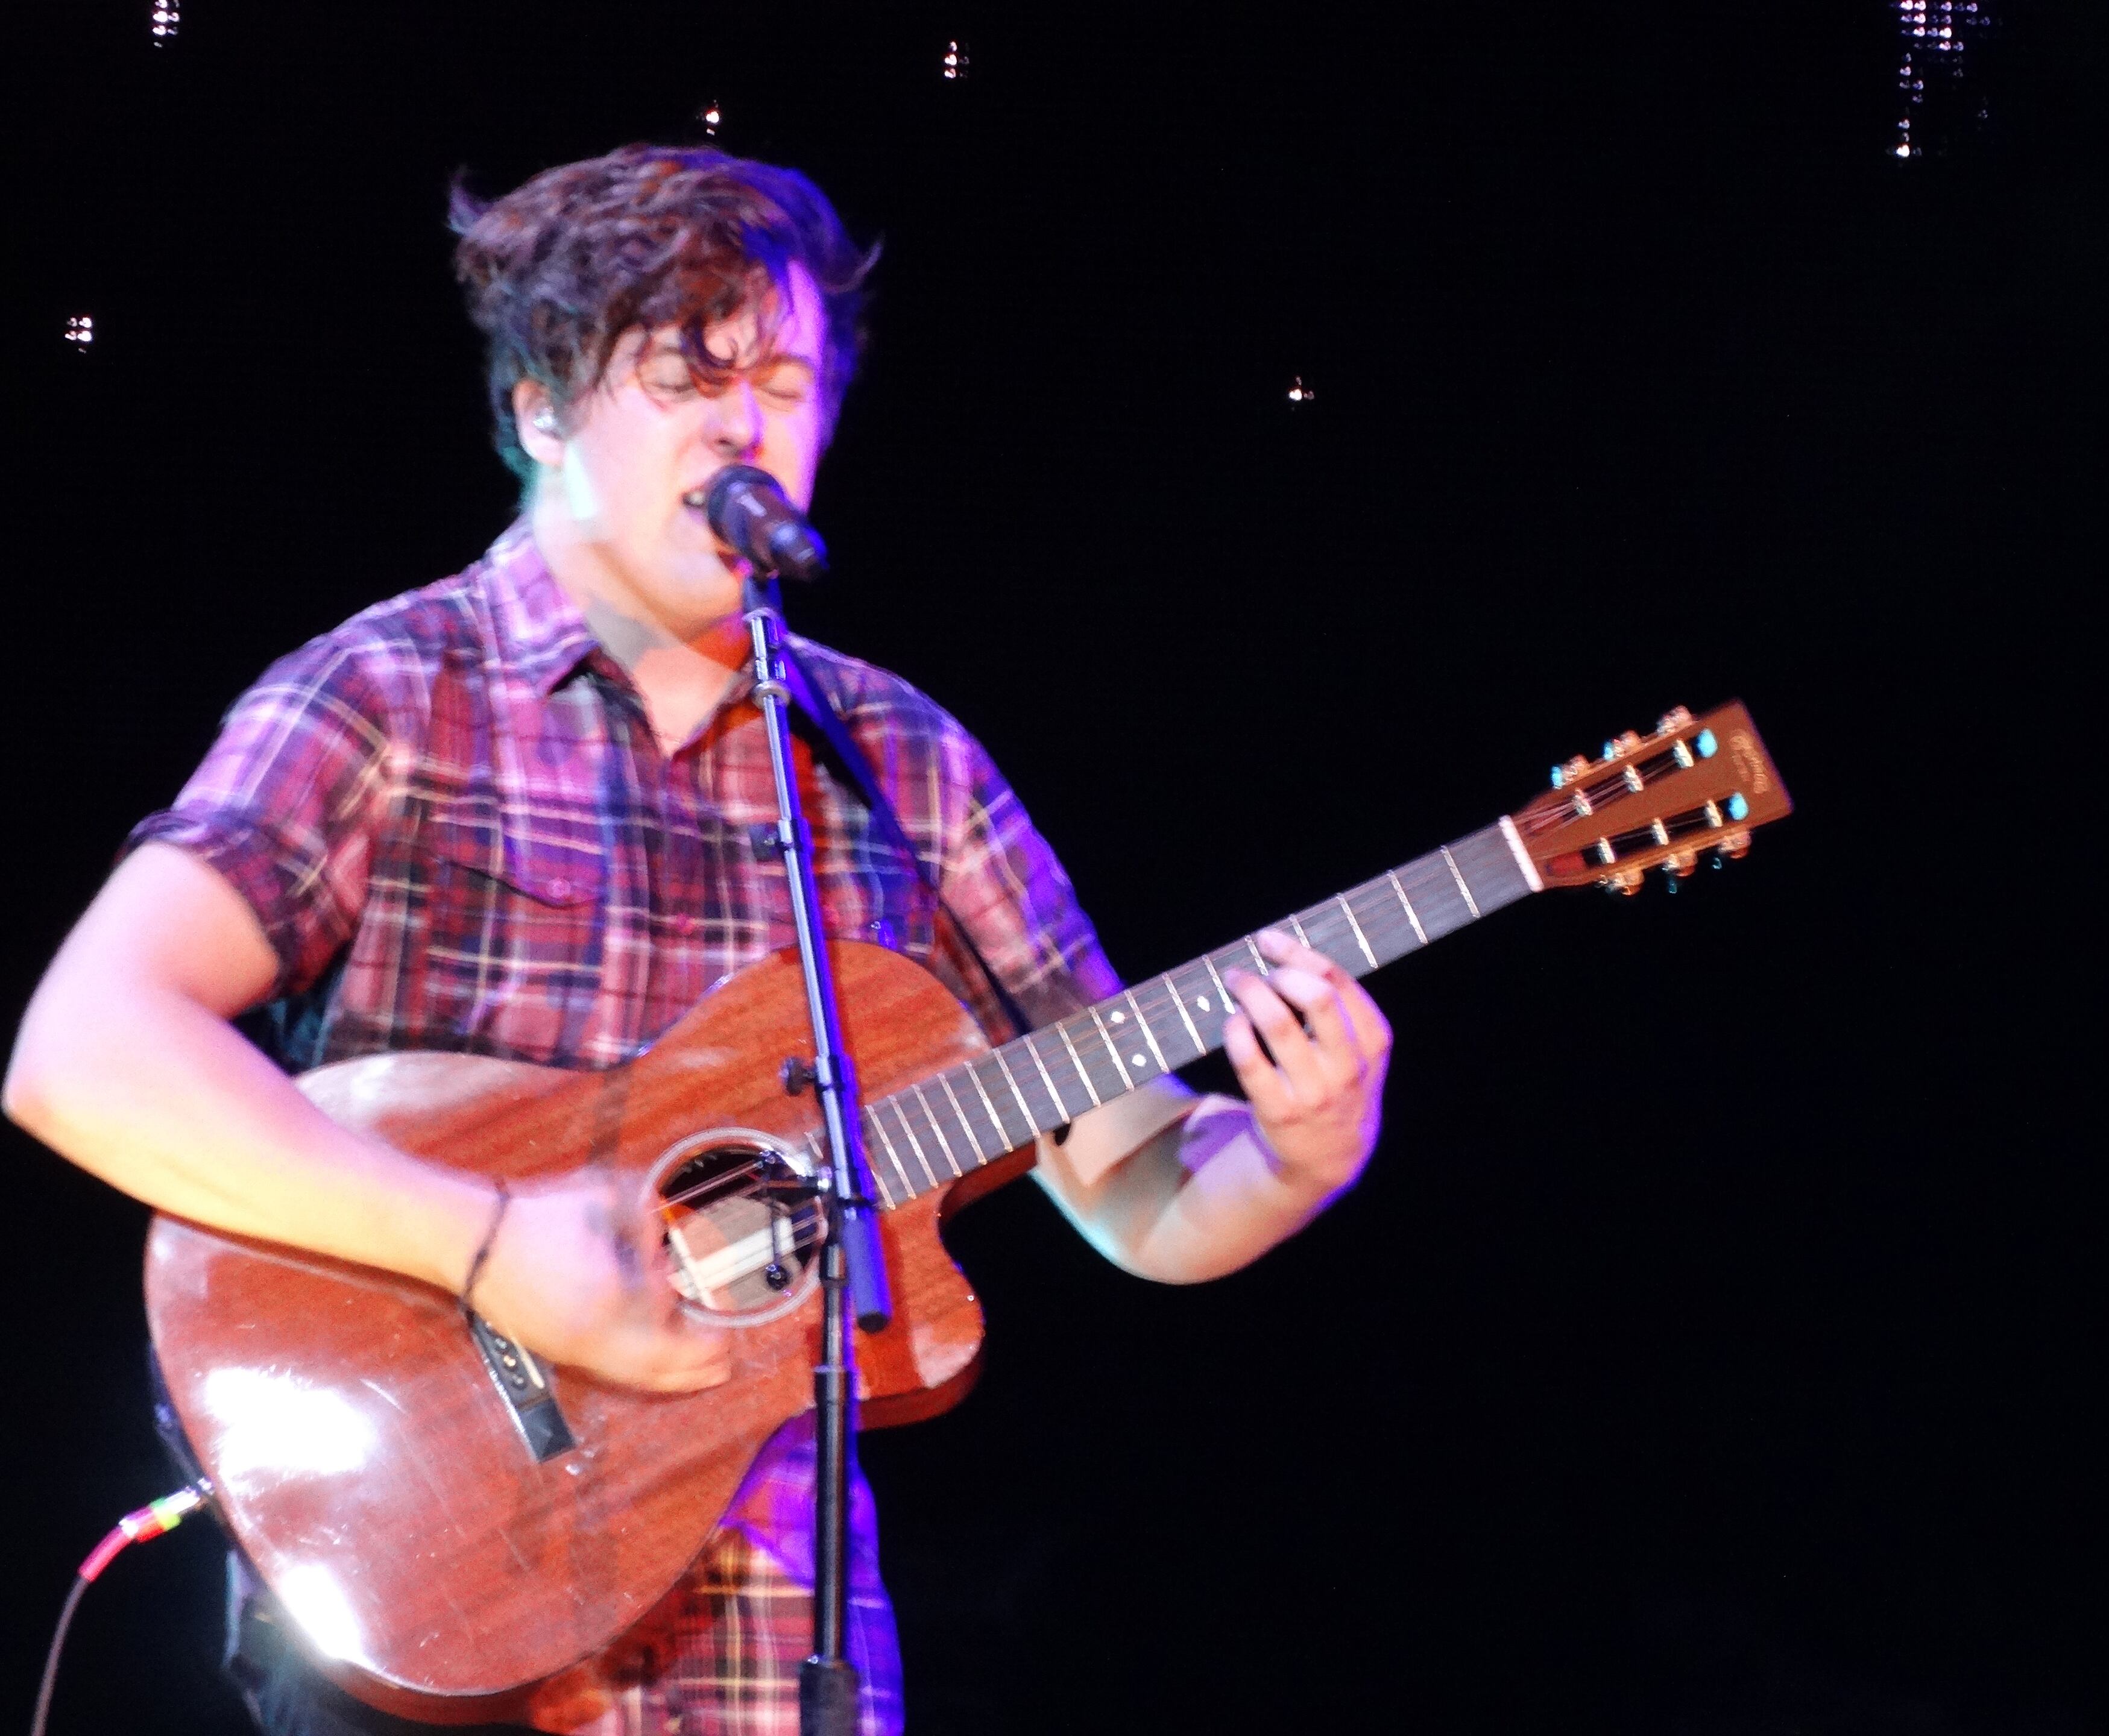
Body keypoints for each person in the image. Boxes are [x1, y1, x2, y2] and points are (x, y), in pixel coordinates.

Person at [3, 144, 1392, 1736]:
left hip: (779, 1652)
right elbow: (85, 1052)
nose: (746, 427)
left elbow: (1136, 1185)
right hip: (431, 1603)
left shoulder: (900, 761)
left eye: (784, 383)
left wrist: (1296, 1153)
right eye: (684, 377)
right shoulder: (388, 696)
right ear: (540, 412)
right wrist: (485, 1243)